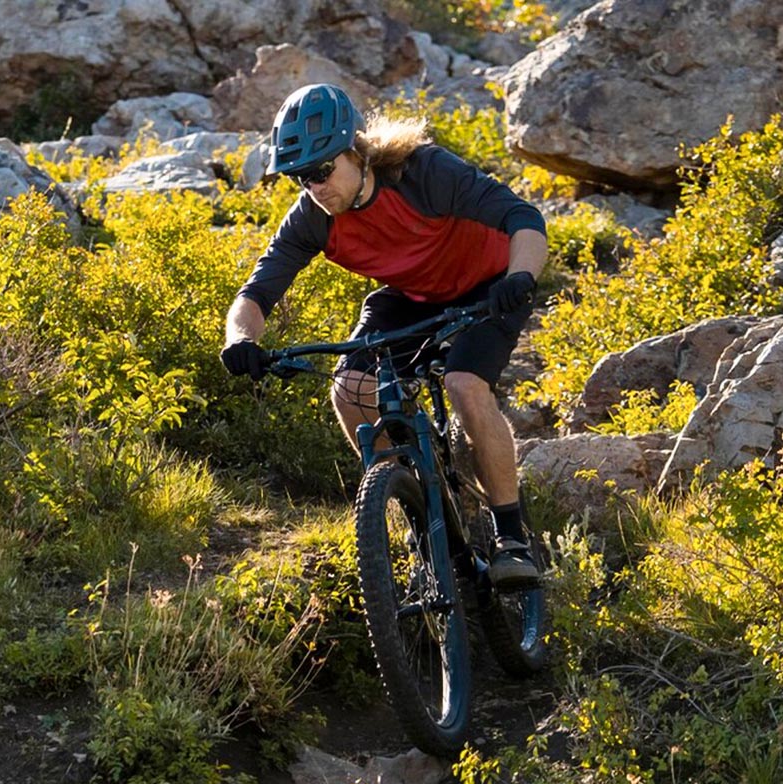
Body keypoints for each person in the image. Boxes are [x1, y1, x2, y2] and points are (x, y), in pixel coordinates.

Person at [221, 83, 547, 590]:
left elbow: (523, 217)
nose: (314, 188)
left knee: (464, 383)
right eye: (300, 179)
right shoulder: (313, 217)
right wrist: (239, 340)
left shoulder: (423, 173)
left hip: (492, 286)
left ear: (356, 151)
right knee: (349, 389)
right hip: (412, 295)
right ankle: (419, 513)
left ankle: (512, 540)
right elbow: (257, 292)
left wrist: (519, 279)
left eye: (322, 171)